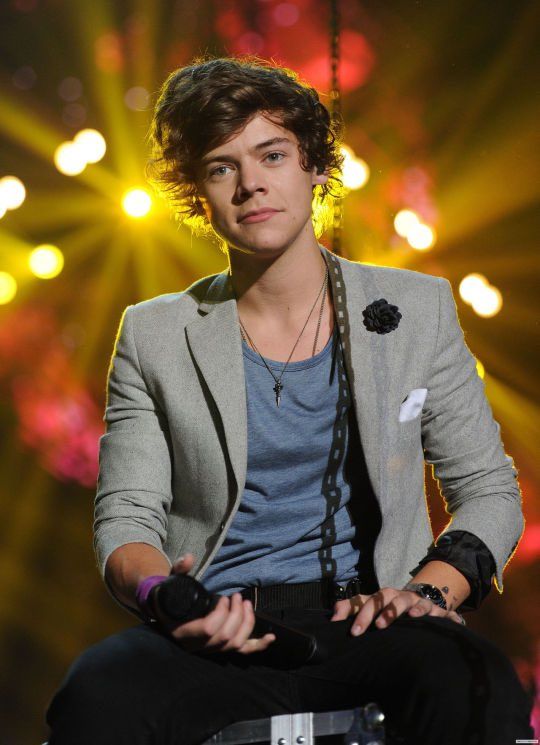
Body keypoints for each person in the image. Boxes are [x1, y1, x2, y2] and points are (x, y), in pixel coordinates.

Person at [45, 55, 534, 744]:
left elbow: (488, 487)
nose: (251, 184)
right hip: (220, 627)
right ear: (200, 194)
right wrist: (169, 597)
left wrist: (427, 591)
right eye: (222, 167)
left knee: (474, 679)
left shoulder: (416, 308)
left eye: (271, 154)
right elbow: (126, 517)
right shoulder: (154, 333)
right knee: (99, 692)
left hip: (372, 617)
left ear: (314, 166)